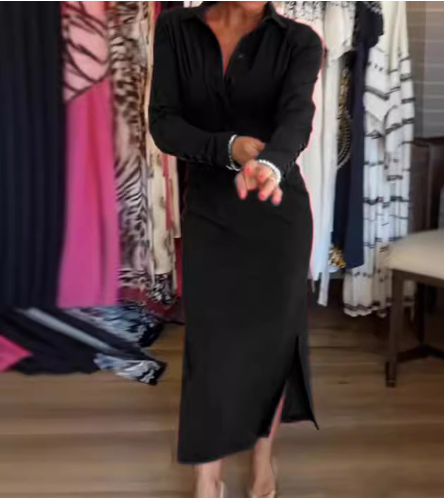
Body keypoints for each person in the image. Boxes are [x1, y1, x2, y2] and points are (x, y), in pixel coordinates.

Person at [149, 2, 322, 497]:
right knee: (211, 344)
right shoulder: (176, 27)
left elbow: (296, 119)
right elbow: (164, 122)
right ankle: (208, 476)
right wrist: (230, 149)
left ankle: (263, 460)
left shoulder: (298, 40)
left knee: (272, 341)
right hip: (210, 208)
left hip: (277, 209)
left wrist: (269, 164)